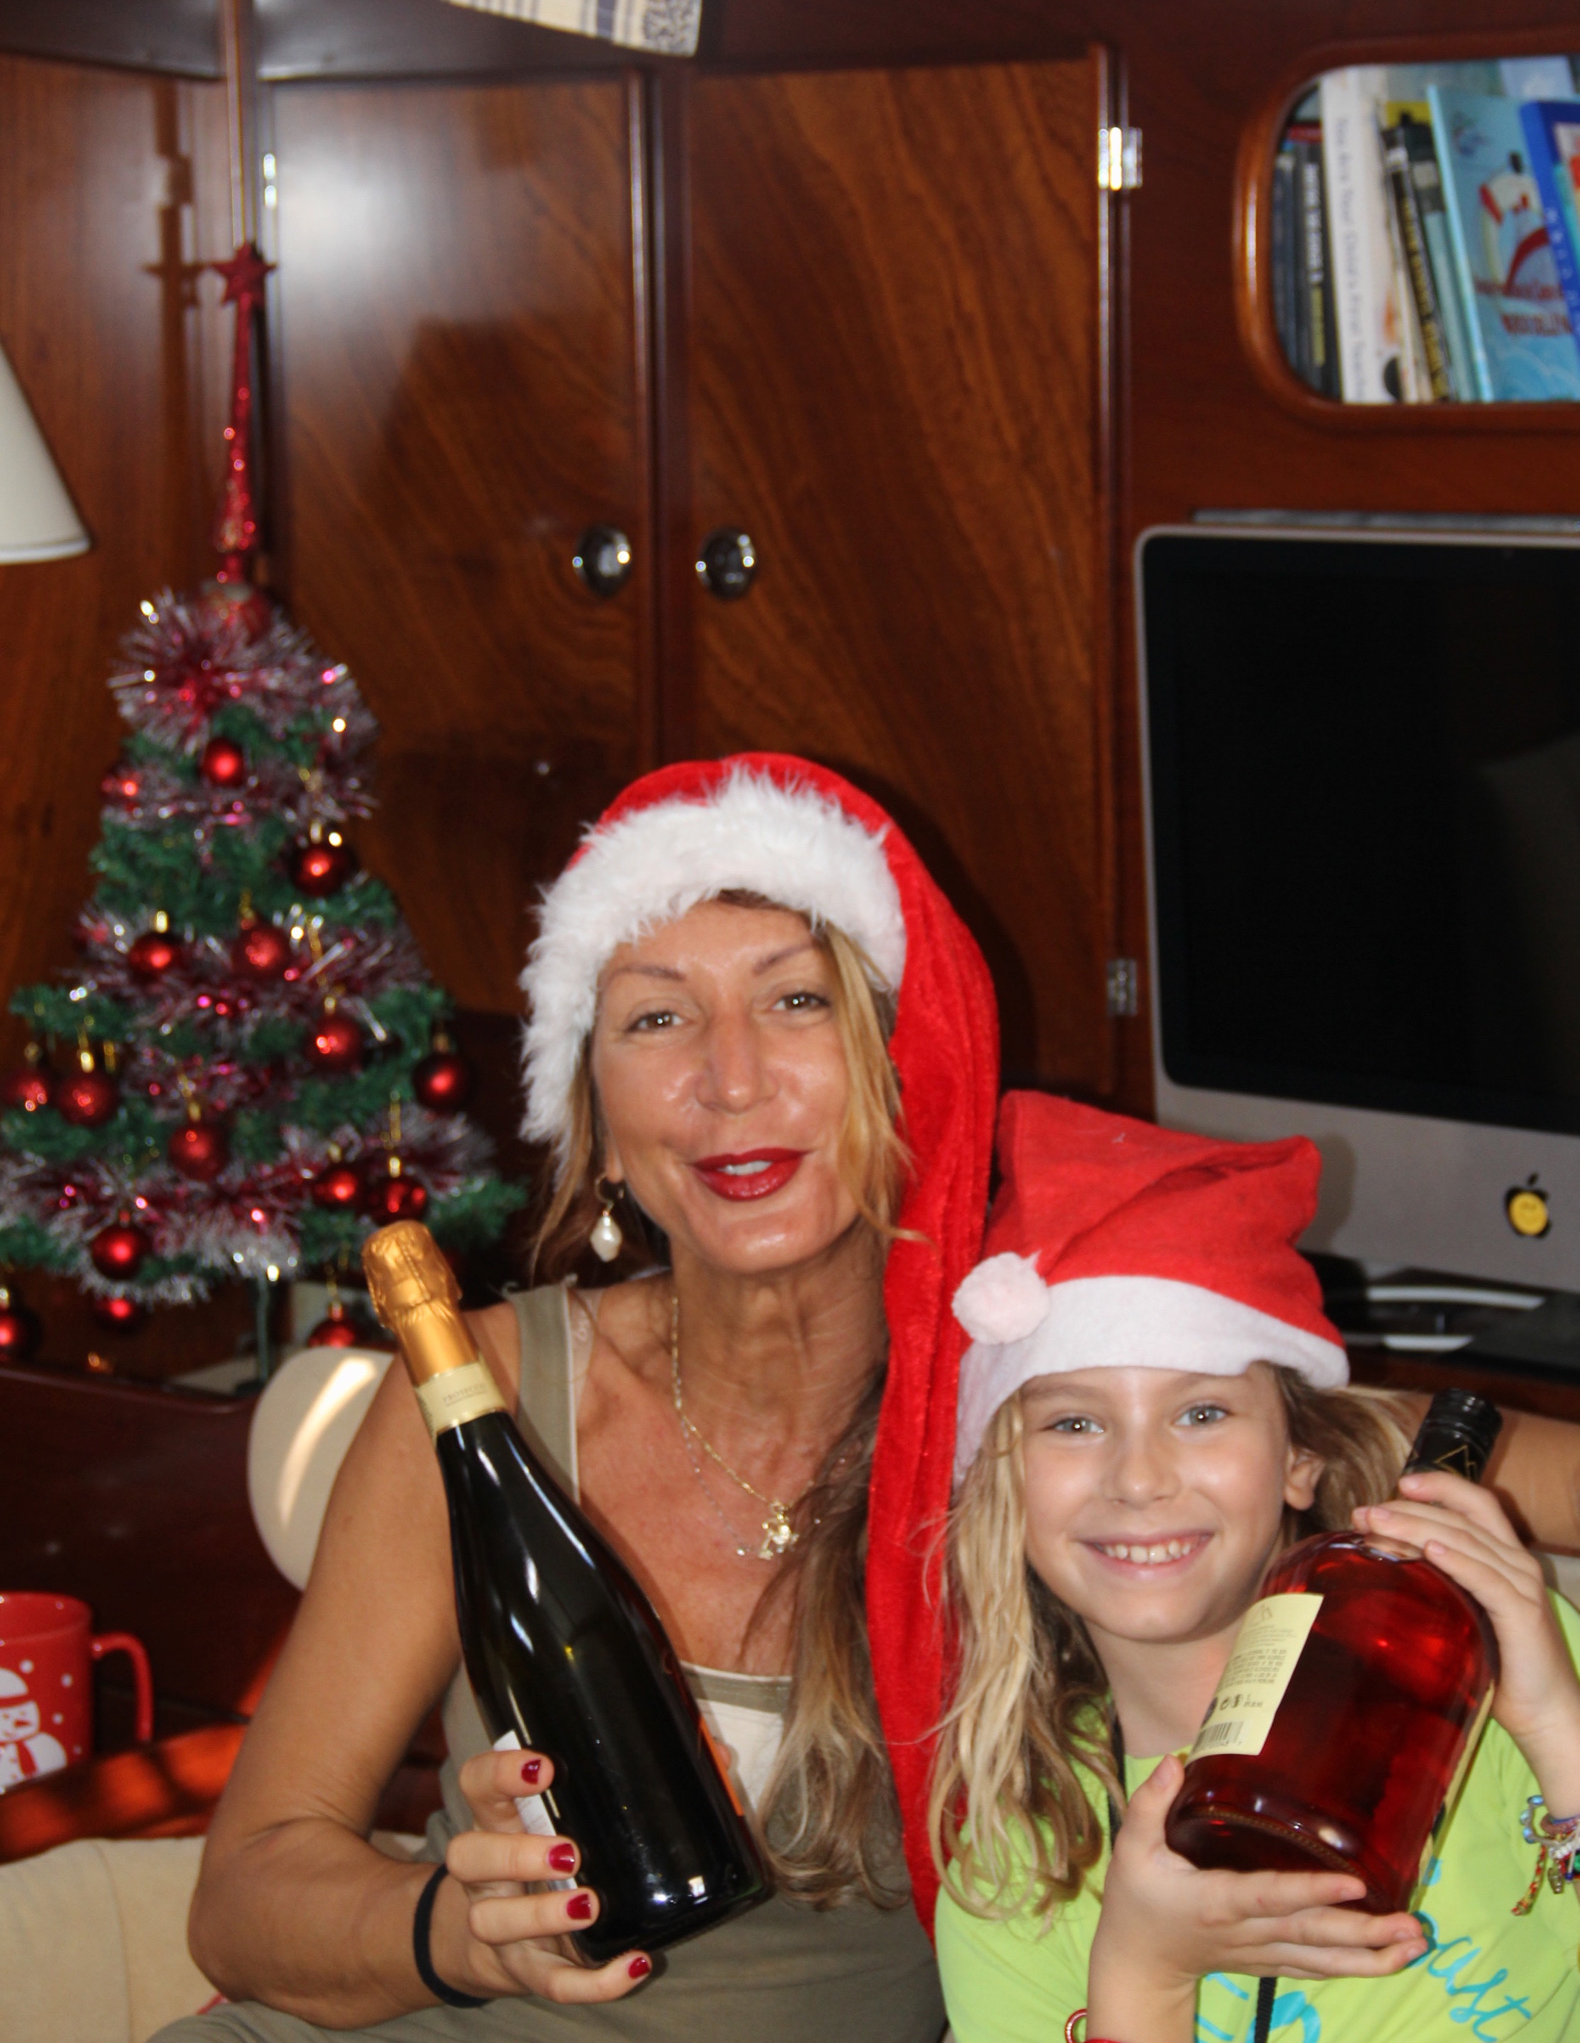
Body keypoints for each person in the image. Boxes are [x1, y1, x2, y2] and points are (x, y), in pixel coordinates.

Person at [156, 753, 999, 2040]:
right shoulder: (478, 1390)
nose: (729, 1078)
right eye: (656, 1018)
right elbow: (244, 1897)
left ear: (906, 1059)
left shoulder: (1030, 1421)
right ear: (594, 1121)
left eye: (796, 999)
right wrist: (458, 1932)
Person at [932, 1092, 1580, 2043]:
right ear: (1002, 1483)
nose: (1139, 1479)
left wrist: (1558, 1726)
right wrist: (1146, 1973)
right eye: (1073, 1422)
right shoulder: (1017, 1868)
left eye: (1202, 1413)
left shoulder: (1493, 1659)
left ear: (1297, 1459)